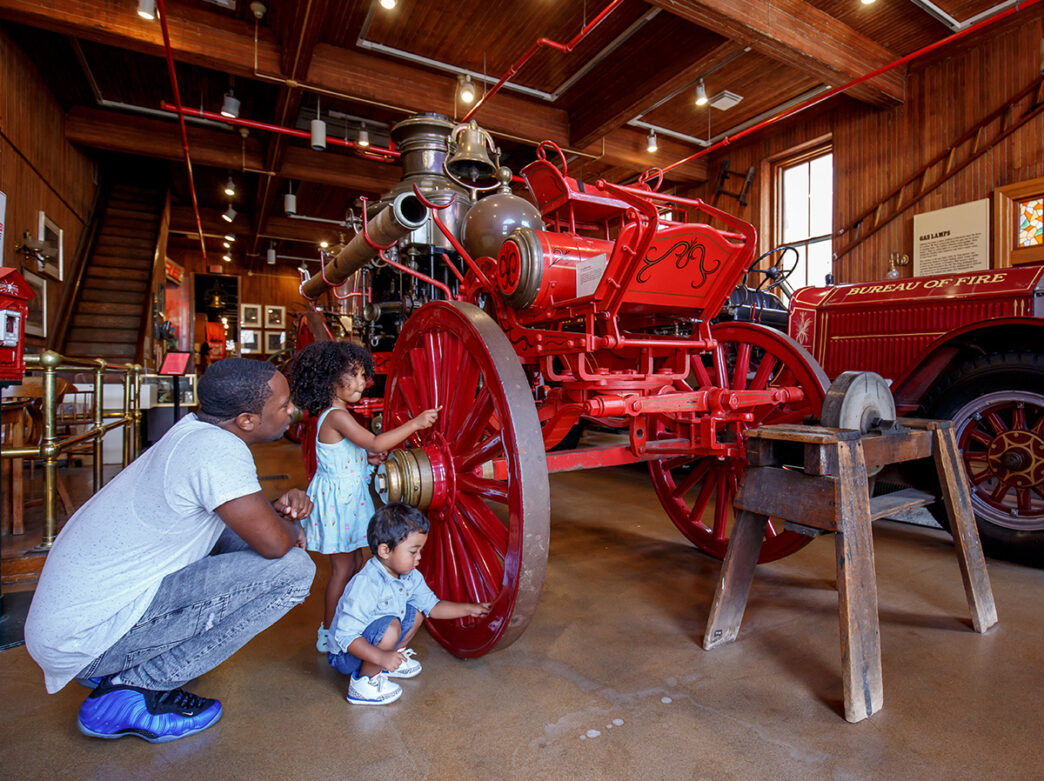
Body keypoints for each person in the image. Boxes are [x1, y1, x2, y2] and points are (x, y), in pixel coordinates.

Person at [24, 358, 316, 743]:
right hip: (84, 641)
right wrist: (290, 522)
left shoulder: (194, 431)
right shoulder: (219, 452)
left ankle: (124, 667)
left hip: (68, 630)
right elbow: (278, 545)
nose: (291, 411)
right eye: (283, 405)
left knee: (240, 541)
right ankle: (135, 690)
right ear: (246, 420)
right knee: (294, 571)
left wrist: (278, 512)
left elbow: (252, 529)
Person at [287, 340, 438, 654]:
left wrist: (363, 461)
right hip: (340, 506)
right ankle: (331, 634)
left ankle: (346, 624)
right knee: (343, 569)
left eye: (362, 375)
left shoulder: (337, 415)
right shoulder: (336, 416)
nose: (361, 382)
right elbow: (376, 442)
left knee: (355, 563)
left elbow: (355, 454)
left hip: (348, 501)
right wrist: (415, 423)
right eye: (352, 376)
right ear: (330, 380)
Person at [328, 502, 491, 705]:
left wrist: (469, 609)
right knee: (390, 628)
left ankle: (391, 660)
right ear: (385, 551)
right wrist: (380, 657)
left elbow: (433, 607)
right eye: (413, 551)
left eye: (420, 550)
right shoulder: (366, 583)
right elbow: (345, 636)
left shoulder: (410, 576)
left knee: (417, 612)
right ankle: (364, 683)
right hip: (345, 655)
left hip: (372, 644)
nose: (419, 557)